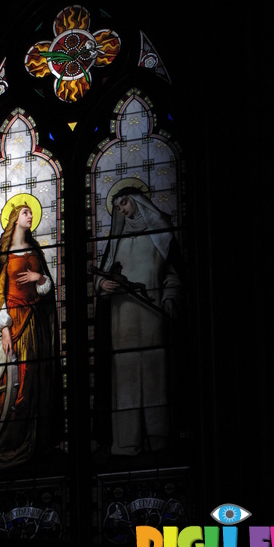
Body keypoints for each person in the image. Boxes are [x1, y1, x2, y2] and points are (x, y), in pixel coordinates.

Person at [95, 180, 182, 455]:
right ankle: (127, 440)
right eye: (118, 207)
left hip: (151, 314)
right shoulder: (117, 242)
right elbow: (105, 275)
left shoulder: (161, 236)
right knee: (126, 373)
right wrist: (103, 287)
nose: (122, 210)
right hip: (122, 318)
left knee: (155, 371)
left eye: (125, 203)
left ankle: (158, 436)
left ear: (137, 201)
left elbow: (173, 274)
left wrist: (169, 297)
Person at [0, 199, 61, 470]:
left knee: (33, 382)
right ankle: (6, 444)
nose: (30, 216)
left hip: (35, 326)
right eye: (25, 212)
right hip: (13, 326)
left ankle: (30, 444)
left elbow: (46, 288)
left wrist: (39, 279)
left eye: (32, 212)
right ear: (13, 218)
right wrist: (6, 328)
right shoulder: (1, 255)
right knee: (14, 388)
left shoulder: (35, 251)